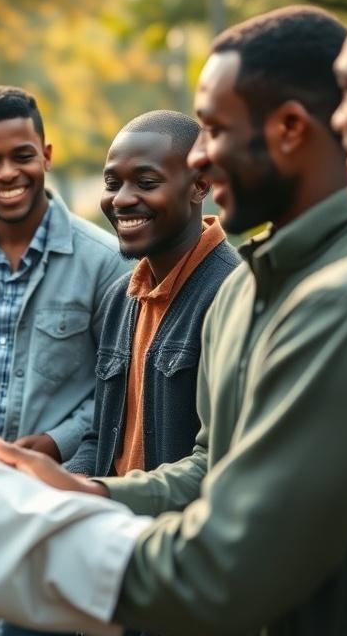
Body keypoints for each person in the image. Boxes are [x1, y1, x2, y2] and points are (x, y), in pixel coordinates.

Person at [0, 5, 347, 634]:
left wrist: (11, 542)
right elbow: (210, 466)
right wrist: (82, 492)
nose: (203, 160)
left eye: (217, 133)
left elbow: (238, 553)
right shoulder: (233, 291)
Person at [0, 85, 130, 636]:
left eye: (22, 155)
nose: (7, 172)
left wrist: (58, 440)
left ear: (47, 155)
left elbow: (119, 391)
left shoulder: (106, 264)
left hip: (49, 510)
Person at [64, 110, 238, 483]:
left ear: (200, 185)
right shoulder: (119, 299)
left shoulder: (232, 296)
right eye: (112, 183)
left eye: (145, 182)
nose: (122, 200)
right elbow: (102, 439)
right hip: (114, 527)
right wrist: (61, 482)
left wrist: (95, 493)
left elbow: (217, 466)